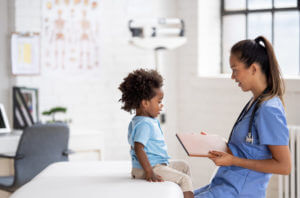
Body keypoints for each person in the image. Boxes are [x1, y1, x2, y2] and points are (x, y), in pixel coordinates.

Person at [194, 36, 291, 198]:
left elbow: (284, 166)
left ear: (253, 69)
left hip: (239, 192)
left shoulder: (269, 109)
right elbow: (248, 150)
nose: (233, 77)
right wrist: (216, 145)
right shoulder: (254, 102)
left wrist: (233, 161)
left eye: (235, 70)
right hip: (224, 185)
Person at [119, 69, 194, 198]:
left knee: (184, 166)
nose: (161, 105)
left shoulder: (141, 121)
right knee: (184, 179)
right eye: (159, 101)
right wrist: (149, 172)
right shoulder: (144, 124)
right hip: (150, 167)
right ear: (145, 103)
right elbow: (138, 148)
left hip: (156, 164)